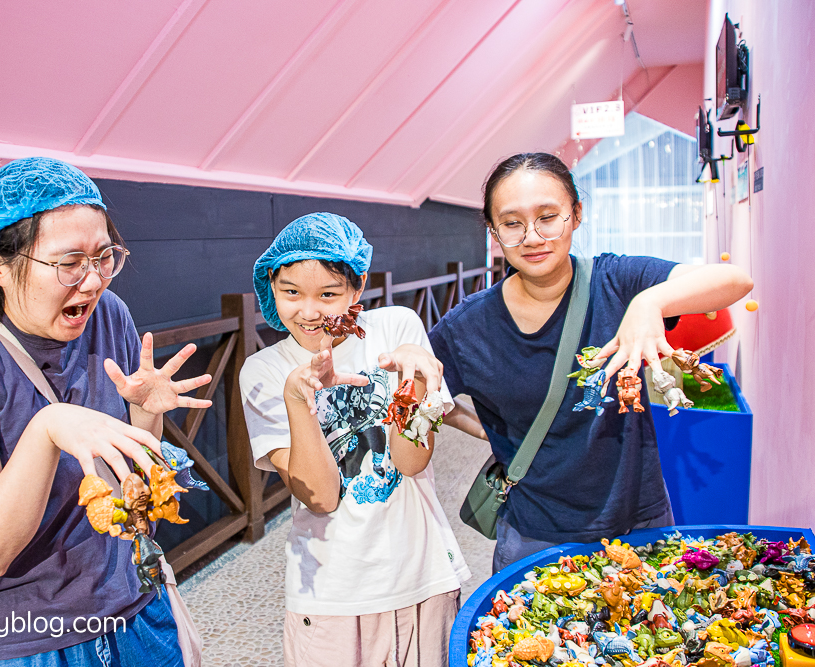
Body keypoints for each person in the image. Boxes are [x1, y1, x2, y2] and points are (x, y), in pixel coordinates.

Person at [0, 157, 210, 666]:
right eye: (69, 262)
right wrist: (46, 429)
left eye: (104, 255)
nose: (92, 281)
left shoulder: (108, 317)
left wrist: (143, 416)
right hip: (21, 640)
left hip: (134, 609)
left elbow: (131, 488)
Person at [430, 152, 754, 573]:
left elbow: (735, 281)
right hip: (534, 533)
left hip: (639, 523)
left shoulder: (617, 282)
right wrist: (474, 424)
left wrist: (648, 301)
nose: (532, 236)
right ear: (493, 230)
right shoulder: (466, 327)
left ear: (576, 214)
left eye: (548, 216)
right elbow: (423, 392)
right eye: (512, 223)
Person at [239, 212, 470, 667]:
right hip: (330, 591)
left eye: (329, 294)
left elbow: (410, 461)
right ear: (271, 284)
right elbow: (320, 496)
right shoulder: (264, 371)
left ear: (358, 286)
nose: (309, 311)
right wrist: (297, 399)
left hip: (423, 575)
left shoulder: (397, 328)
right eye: (291, 293)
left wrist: (414, 383)